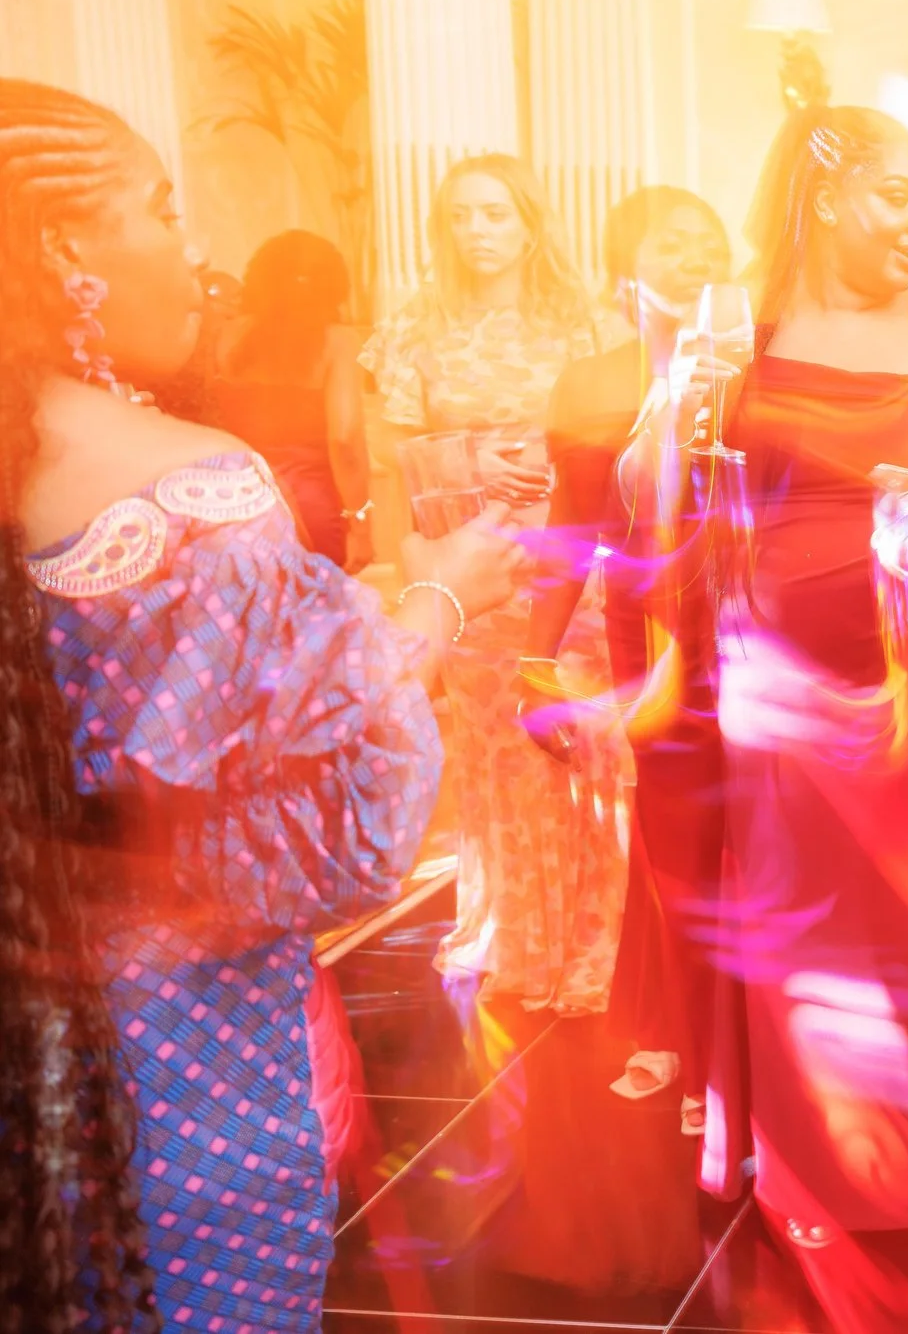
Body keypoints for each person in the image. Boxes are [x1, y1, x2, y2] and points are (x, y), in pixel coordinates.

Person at [0, 78, 523, 1331]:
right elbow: (338, 832)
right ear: (64, 250)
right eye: (161, 207)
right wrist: (436, 604)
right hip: (176, 1069)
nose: (193, 252)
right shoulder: (191, 495)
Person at [702, 106, 908, 1292]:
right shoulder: (740, 330)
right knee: (796, 910)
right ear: (826, 193)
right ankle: (813, 1165)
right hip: (774, 665)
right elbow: (678, 494)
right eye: (898, 195)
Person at [360, 154, 632, 1013]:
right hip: (469, 562)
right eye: (461, 215)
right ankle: (518, 935)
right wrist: (419, 544)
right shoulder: (414, 328)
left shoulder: (584, 323)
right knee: (497, 752)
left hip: (567, 556)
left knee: (577, 735)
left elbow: (622, 433)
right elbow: (383, 456)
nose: (477, 230)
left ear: (528, 223)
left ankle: (598, 941)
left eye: (494, 213)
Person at [523, 186, 735, 1129]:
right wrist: (535, 665)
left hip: (750, 624)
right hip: (649, 630)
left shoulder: (755, 369)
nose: (695, 254)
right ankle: (699, 1053)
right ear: (626, 267)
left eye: (708, 239)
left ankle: (750, 1049)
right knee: (680, 836)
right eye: (672, 240)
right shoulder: (591, 384)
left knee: (756, 834)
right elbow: (572, 529)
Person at [206, 229, 373, 569]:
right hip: (313, 510)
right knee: (319, 602)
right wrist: (360, 524)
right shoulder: (339, 342)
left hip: (242, 508)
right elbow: (344, 439)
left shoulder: (226, 335)